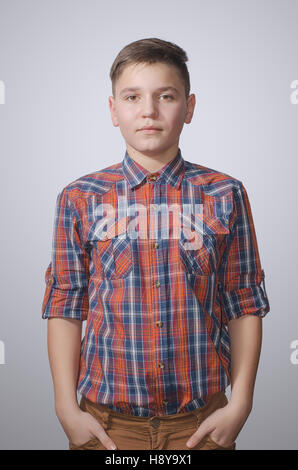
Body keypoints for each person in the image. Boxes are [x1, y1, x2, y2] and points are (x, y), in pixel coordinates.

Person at [41, 38, 270, 451]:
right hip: (106, 425)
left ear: (190, 106)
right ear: (114, 110)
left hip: (202, 424)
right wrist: (65, 409)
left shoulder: (224, 193)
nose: (149, 110)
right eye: (133, 97)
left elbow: (244, 301)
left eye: (166, 96)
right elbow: (65, 303)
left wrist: (241, 404)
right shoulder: (80, 197)